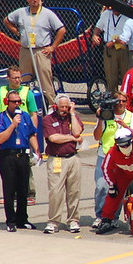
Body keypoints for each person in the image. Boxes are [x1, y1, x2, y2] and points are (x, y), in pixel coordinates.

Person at [3, 0, 66, 106]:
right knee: (24, 79)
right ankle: (23, 104)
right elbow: (7, 20)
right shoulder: (21, 12)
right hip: (26, 50)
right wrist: (18, 33)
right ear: (28, 0)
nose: (35, 0)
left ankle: (51, 106)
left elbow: (62, 30)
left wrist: (52, 47)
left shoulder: (47, 13)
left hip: (42, 50)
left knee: (45, 80)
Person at [0, 65, 40, 205]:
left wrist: (33, 134)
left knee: (26, 165)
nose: (18, 80)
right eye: (15, 78)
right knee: (7, 167)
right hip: (6, 130)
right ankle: (10, 193)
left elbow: (33, 113)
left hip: (23, 131)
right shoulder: (0, 92)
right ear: (8, 78)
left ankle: (29, 194)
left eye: (19, 77)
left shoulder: (26, 92)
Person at [0, 90, 41, 232]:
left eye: (19, 102)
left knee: (23, 189)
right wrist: (13, 125)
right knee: (9, 190)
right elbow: (0, 139)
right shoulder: (1, 118)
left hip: (23, 156)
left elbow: (31, 134)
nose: (17, 104)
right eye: (14, 102)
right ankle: (11, 220)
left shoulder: (25, 116)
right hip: (8, 156)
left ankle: (22, 219)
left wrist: (37, 150)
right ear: (7, 102)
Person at [93, 89, 133, 229]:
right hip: (105, 154)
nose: (120, 104)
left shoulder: (131, 117)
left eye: (123, 101)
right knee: (102, 186)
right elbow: (96, 136)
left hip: (122, 157)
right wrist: (101, 119)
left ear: (127, 103)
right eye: (117, 101)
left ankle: (113, 217)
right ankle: (100, 216)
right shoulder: (106, 115)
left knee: (119, 189)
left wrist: (125, 126)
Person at [41, 94, 83, 234]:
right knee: (56, 192)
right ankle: (53, 221)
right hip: (57, 159)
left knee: (73, 191)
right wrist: (72, 138)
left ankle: (73, 220)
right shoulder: (48, 119)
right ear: (55, 106)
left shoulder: (72, 117)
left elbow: (77, 131)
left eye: (66, 107)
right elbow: (54, 138)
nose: (64, 109)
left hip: (73, 158)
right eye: (62, 107)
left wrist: (72, 113)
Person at [92, 0, 130, 93]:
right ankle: (112, 100)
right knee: (111, 77)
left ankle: (125, 100)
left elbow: (128, 35)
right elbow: (98, 27)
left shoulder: (128, 16)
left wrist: (113, 41)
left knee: (125, 76)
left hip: (123, 49)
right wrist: (95, 35)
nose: (114, 10)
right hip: (110, 49)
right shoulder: (106, 14)